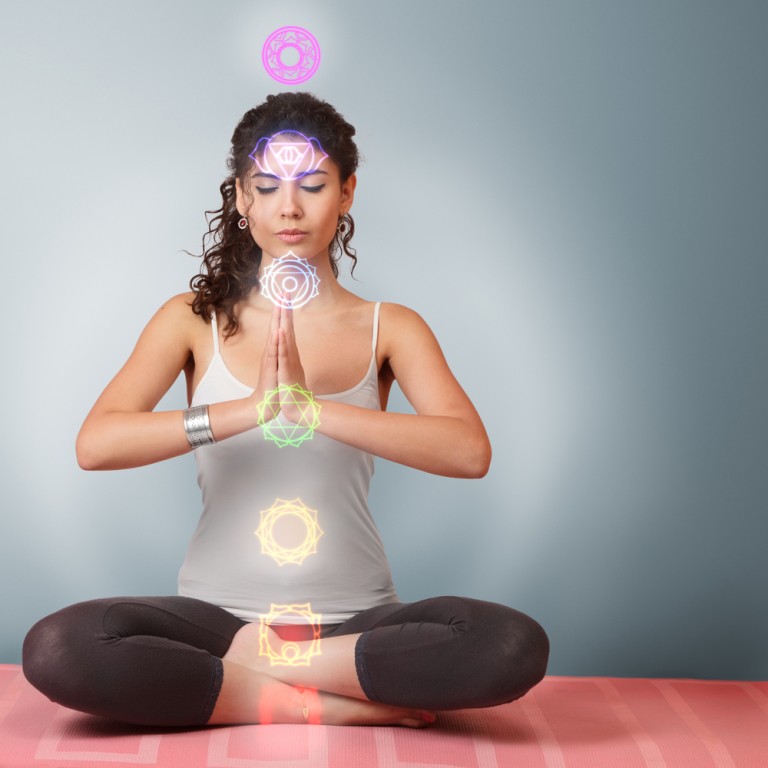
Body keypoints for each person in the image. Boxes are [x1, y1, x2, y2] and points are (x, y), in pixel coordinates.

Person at [22, 92, 549, 728]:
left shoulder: (391, 327)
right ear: (242, 198)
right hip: (217, 620)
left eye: (314, 186)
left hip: (355, 621)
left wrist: (310, 411)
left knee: (509, 644)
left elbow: (469, 452)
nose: (290, 208)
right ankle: (317, 705)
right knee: (59, 646)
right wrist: (249, 410)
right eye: (267, 187)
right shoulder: (191, 320)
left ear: (347, 193)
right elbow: (97, 444)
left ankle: (268, 675)